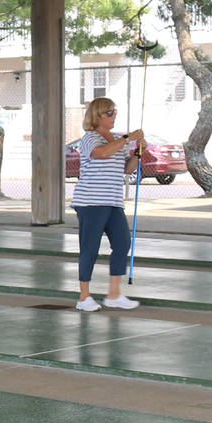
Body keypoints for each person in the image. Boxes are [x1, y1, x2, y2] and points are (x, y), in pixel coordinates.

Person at [70, 97, 142, 312]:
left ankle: (114, 294)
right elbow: (100, 153)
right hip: (91, 202)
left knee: (122, 243)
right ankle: (84, 297)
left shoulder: (117, 140)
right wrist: (129, 137)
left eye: (114, 111)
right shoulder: (90, 138)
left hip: (112, 201)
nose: (114, 115)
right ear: (97, 116)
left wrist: (138, 150)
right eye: (109, 112)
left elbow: (127, 169)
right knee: (89, 248)